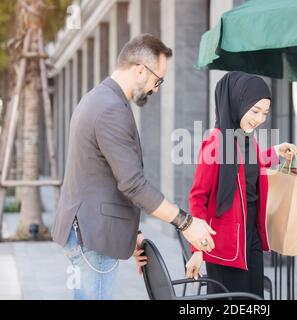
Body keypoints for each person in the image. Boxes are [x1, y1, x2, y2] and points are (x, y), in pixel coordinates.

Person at [51, 34, 215, 300]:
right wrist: (186, 223)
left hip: (89, 232)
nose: (156, 88)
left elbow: (102, 178)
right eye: (157, 80)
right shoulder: (110, 109)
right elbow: (133, 184)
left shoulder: (100, 99)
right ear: (140, 70)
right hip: (93, 237)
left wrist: (132, 234)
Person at [184, 71, 297, 298]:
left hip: (251, 236)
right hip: (224, 243)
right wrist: (197, 249)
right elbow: (198, 198)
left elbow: (248, 166)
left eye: (265, 113)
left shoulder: (247, 138)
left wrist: (275, 152)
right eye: (255, 111)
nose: (260, 119)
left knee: (254, 298)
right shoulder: (215, 142)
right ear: (237, 102)